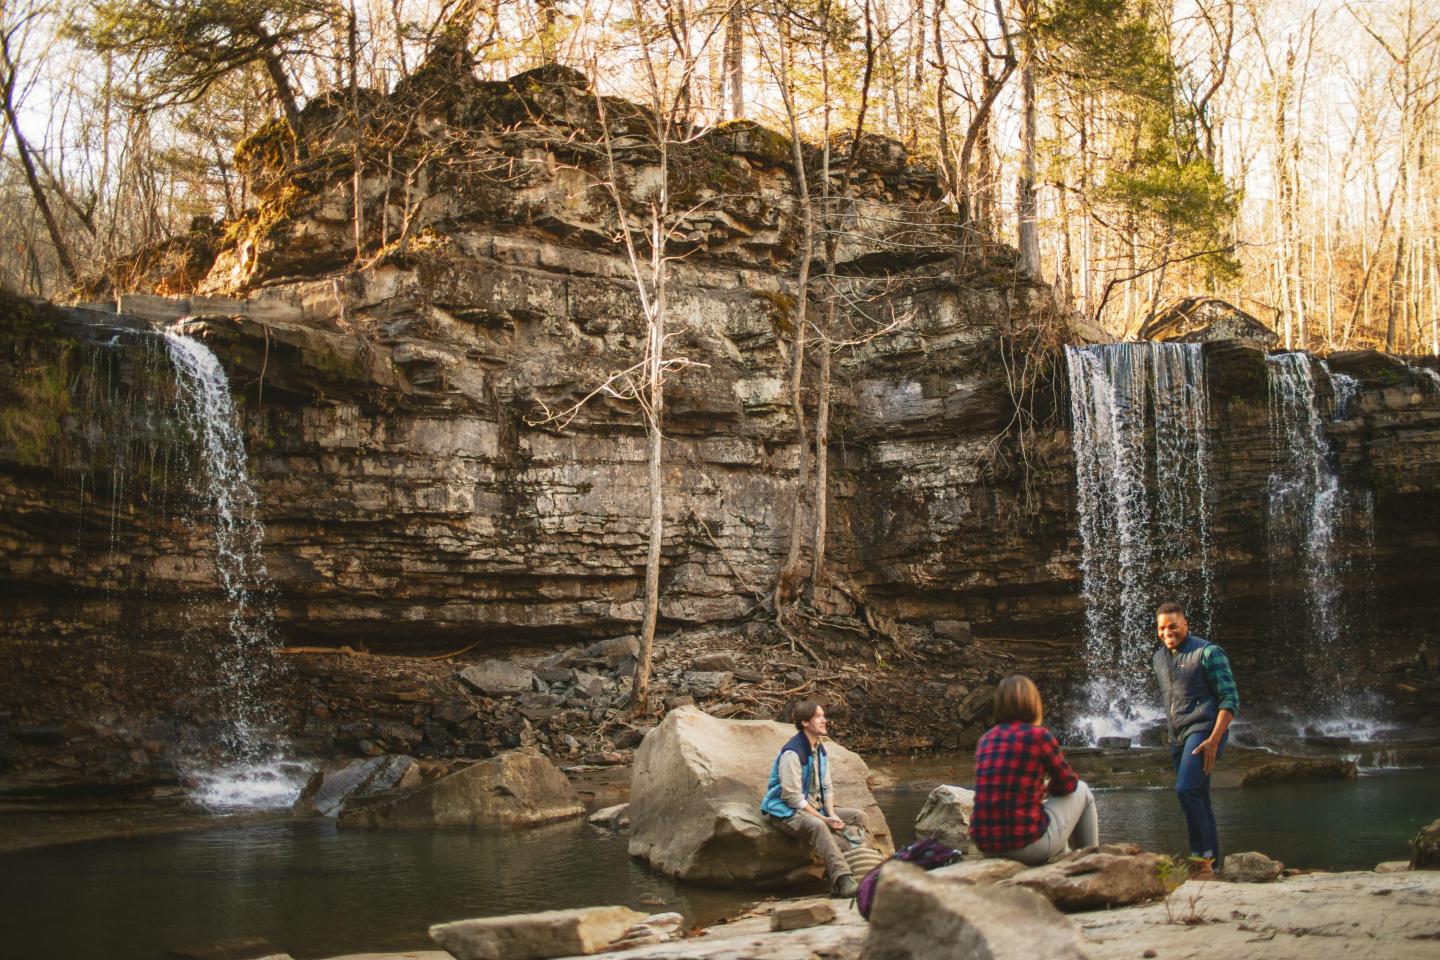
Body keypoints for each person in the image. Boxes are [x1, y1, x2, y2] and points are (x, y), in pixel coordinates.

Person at [971, 675, 1099, 865]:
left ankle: (1065, 858)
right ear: (1033, 703)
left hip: (987, 846)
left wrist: (1039, 787)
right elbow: (1068, 784)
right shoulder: (1037, 736)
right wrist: (1047, 787)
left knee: (1043, 813)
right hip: (1026, 846)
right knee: (1083, 790)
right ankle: (1094, 863)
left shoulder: (986, 739)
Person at [1152, 601, 1239, 877]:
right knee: (1198, 796)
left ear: (1186, 624)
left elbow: (1230, 699)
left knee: (1185, 789)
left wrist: (1214, 739)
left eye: (1173, 626)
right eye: (1163, 628)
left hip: (1203, 732)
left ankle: (1202, 860)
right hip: (1178, 737)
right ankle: (1208, 862)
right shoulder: (1159, 658)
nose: (1168, 632)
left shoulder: (1208, 653)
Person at [760, 701, 868, 897]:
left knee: (858, 816)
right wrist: (824, 819)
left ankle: (851, 870)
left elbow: (826, 787)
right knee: (817, 826)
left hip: (814, 808)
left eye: (823, 715)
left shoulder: (819, 749)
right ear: (804, 722)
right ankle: (843, 879)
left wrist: (831, 813)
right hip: (785, 812)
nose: (824, 720)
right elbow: (792, 797)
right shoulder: (792, 753)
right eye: (818, 716)